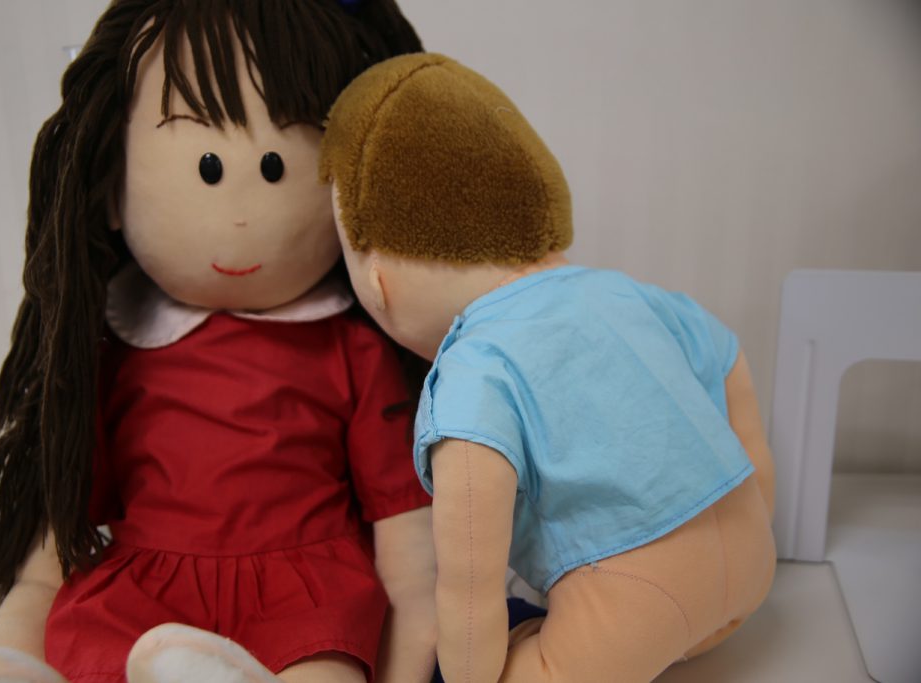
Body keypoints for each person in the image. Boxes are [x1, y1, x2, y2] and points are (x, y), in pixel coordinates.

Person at [0, 3, 436, 682]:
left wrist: (415, 627)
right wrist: (25, 611)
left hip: (304, 590)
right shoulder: (117, 343)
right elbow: (64, 507)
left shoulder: (353, 348)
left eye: (276, 166)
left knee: (322, 665)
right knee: (101, 648)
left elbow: (403, 532)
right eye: (209, 168)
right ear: (111, 187)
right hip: (147, 587)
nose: (241, 214)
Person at [318, 52, 777, 683]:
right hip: (752, 568)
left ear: (377, 277)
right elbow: (727, 357)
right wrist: (760, 508)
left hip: (634, 602)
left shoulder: (475, 365)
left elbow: (469, 572)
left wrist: (469, 672)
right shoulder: (626, 292)